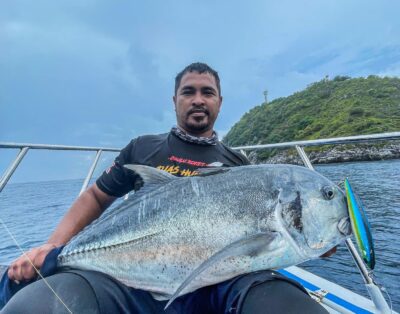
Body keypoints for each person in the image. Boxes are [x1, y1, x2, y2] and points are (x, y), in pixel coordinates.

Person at [2, 62, 328, 313]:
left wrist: (317, 235)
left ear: (219, 102)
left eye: (207, 92)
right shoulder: (143, 149)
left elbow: (260, 238)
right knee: (36, 306)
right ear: (175, 100)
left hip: (220, 282)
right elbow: (96, 195)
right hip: (128, 279)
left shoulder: (240, 164)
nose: (198, 100)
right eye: (189, 92)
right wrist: (53, 246)